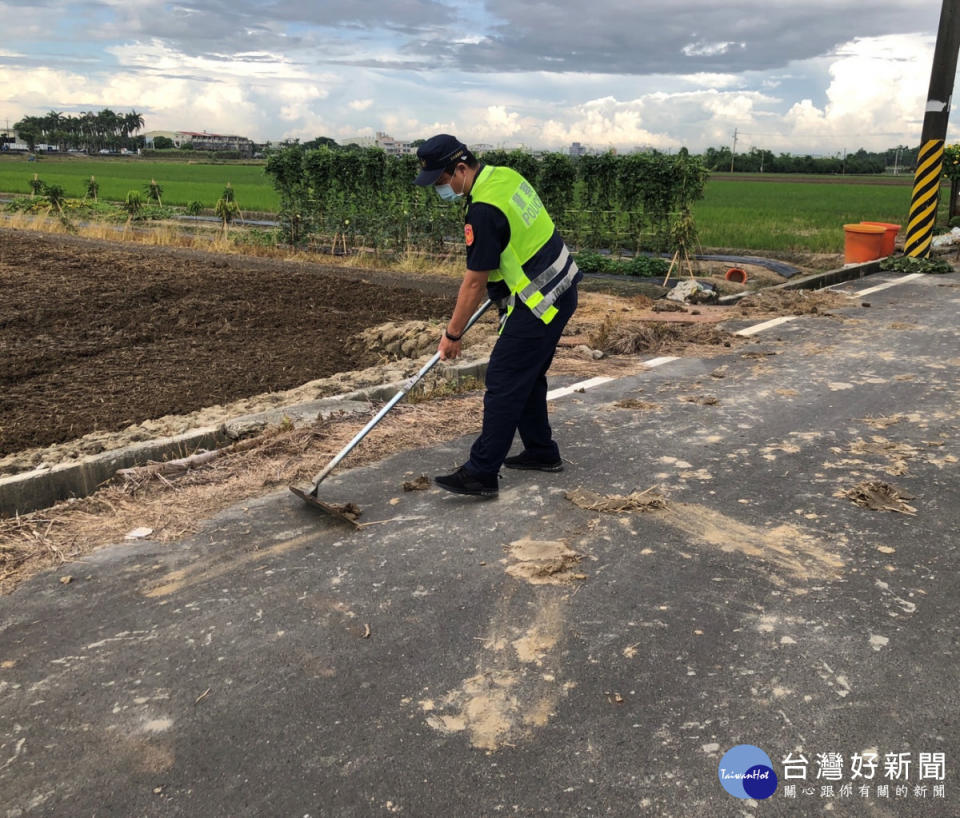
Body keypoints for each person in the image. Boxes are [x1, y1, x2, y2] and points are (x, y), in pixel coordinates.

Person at [413, 133, 581, 498]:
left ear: (460, 168)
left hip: (540, 301)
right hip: (562, 286)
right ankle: (540, 452)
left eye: (442, 181)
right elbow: (518, 239)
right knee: (527, 376)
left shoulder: (483, 210)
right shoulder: (503, 176)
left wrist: (453, 335)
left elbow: (473, 283)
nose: (441, 189)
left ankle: (481, 471)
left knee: (505, 379)